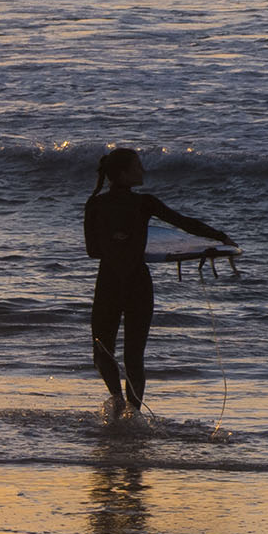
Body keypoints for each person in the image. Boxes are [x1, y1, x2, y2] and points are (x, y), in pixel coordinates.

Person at [84, 147, 233, 416]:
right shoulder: (145, 203)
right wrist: (219, 237)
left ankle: (117, 401)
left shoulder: (95, 204)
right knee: (134, 355)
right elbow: (183, 222)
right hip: (137, 284)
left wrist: (118, 242)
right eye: (137, 166)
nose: (143, 171)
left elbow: (93, 250)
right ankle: (134, 413)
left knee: (101, 349)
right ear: (123, 174)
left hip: (108, 282)